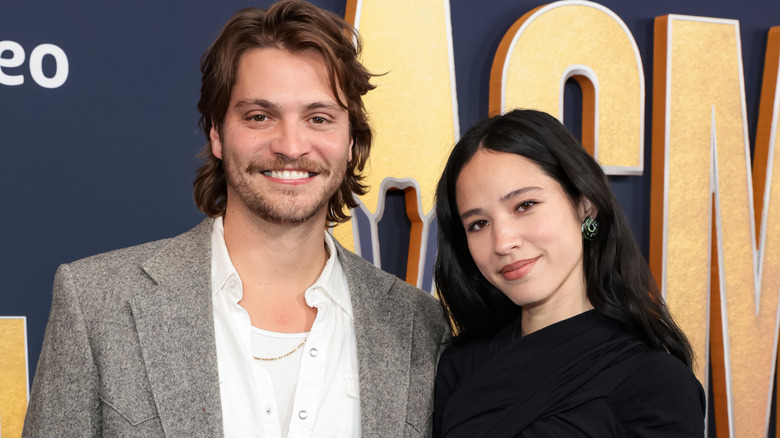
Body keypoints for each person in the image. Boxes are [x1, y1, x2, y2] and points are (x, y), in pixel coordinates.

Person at [23, 2, 448, 437]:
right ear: (217, 134)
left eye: (318, 118)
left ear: (351, 140)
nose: (290, 145)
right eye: (260, 116)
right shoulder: (97, 304)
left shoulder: (418, 325)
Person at [431, 109, 705, 437]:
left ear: (584, 204)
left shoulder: (655, 382)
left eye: (525, 205)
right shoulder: (457, 369)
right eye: (478, 224)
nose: (503, 242)